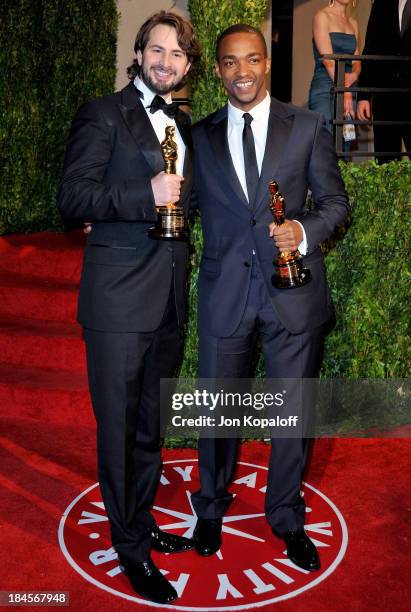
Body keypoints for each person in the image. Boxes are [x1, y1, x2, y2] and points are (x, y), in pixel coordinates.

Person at [190, 24, 349, 572]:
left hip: (292, 294)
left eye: (252, 60)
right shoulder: (199, 137)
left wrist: (303, 233)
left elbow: (334, 203)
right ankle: (209, 508)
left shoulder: (305, 126)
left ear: (266, 64)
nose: (243, 72)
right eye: (230, 63)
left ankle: (285, 515)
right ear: (218, 70)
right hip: (225, 295)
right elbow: (176, 204)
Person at [58, 11, 200, 605]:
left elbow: (188, 201)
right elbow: (73, 196)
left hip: (167, 297)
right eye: (157, 49)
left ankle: (139, 521)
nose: (166, 61)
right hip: (116, 304)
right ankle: (129, 549)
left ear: (188, 66)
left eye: (177, 54)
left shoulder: (185, 123)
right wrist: (143, 193)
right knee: (117, 434)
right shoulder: (103, 113)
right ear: (139, 53)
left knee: (149, 430)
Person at [357, 0, 411, 162]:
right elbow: (370, 48)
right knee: (386, 162)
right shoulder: (382, 4)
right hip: (385, 97)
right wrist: (364, 96)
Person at [308, 0, 360, 138]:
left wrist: (354, 75)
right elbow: (328, 60)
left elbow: (357, 61)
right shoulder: (321, 16)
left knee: (345, 142)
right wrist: (345, 91)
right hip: (326, 88)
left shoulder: (353, 22)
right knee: (326, 140)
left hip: (349, 86)